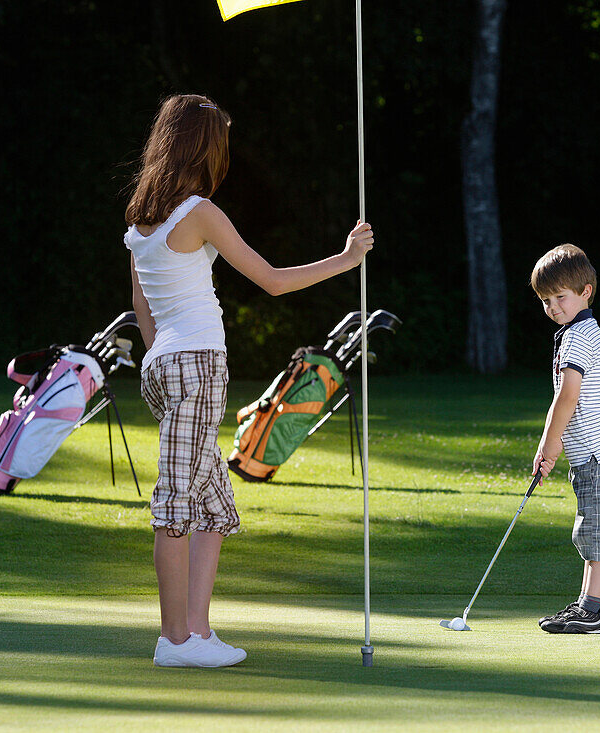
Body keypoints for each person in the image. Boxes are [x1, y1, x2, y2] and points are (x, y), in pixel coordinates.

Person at [124, 94, 374, 667]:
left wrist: (160, 350)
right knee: (176, 505)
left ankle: (198, 632)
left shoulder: (140, 214)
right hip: (196, 365)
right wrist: (345, 259)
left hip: (165, 364)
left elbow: (141, 301)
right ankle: (174, 642)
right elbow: (271, 281)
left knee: (212, 505)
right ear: (202, 148)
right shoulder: (199, 210)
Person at [529, 244, 600, 634]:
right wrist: (555, 445)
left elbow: (567, 397)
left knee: (595, 528)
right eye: (545, 300)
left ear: (585, 292)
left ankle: (593, 612)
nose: (552, 307)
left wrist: (548, 444)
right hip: (593, 452)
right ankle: (587, 607)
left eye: (560, 297)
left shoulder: (579, 337)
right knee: (590, 526)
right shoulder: (576, 332)